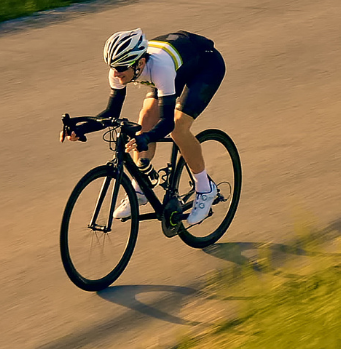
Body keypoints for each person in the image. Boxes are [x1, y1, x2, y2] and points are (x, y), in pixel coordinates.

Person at [62, 28, 226, 226]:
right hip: (177, 65)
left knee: (178, 127)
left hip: (206, 66)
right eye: (113, 67)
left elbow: (166, 122)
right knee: (146, 116)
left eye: (121, 68)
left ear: (139, 63)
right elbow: (111, 112)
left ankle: (205, 188)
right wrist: (81, 129)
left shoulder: (160, 68)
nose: (115, 73)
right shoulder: (120, 70)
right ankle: (140, 188)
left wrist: (146, 138)